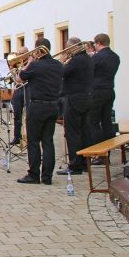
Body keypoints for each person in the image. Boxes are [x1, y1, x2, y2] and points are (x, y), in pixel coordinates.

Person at [15, 38, 63, 185]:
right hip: (53, 106)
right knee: (48, 141)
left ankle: (34, 175)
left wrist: (29, 62)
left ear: (37, 50)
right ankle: (47, 177)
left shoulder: (35, 65)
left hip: (37, 107)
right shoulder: (58, 65)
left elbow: (19, 79)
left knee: (34, 142)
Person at [56, 37, 93, 176]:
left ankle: (75, 165)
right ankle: (84, 163)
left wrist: (61, 62)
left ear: (73, 47)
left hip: (74, 99)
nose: (66, 50)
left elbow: (62, 73)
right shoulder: (87, 59)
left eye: (67, 47)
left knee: (72, 133)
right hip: (86, 98)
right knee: (83, 131)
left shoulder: (76, 60)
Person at [88, 33, 120, 144]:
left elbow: (89, 72)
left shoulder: (97, 57)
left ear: (98, 43)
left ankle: (99, 152)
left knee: (93, 122)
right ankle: (108, 149)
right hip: (110, 90)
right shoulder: (115, 57)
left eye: (95, 44)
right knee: (107, 121)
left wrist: (90, 57)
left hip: (97, 92)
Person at [9, 46, 29, 146]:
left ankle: (28, 136)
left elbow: (23, 77)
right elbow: (16, 79)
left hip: (27, 88)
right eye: (19, 54)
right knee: (17, 114)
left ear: (27, 53)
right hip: (18, 89)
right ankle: (17, 136)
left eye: (21, 54)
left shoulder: (30, 63)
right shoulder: (18, 64)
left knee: (28, 114)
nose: (19, 56)